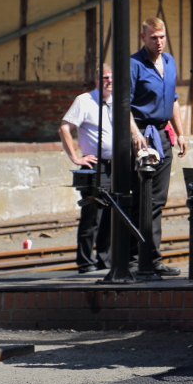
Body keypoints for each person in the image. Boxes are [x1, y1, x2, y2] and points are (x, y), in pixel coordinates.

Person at [127, 17, 188, 276]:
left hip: (162, 135)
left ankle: (152, 260)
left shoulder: (170, 61)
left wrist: (181, 134)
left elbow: (173, 101)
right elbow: (124, 104)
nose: (159, 41)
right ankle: (132, 261)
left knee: (157, 201)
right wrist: (134, 134)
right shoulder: (133, 64)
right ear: (143, 38)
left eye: (161, 36)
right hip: (141, 134)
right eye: (153, 37)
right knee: (140, 199)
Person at [59, 64, 114, 273]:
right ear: (97, 81)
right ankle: (85, 262)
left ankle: (104, 260)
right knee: (92, 215)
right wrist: (75, 157)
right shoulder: (85, 100)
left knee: (110, 214)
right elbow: (64, 128)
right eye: (106, 78)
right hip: (94, 164)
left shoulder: (117, 101)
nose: (110, 81)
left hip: (115, 165)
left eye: (112, 78)